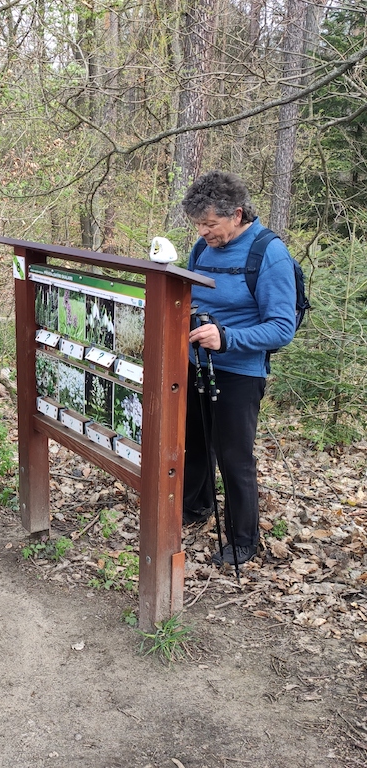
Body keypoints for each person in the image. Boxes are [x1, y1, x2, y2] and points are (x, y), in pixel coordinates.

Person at [181, 170, 296, 566]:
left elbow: (282, 327)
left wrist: (227, 337)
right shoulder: (202, 249)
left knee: (234, 457)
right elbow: (191, 294)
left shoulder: (269, 254)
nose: (204, 232)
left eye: (210, 224)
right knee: (194, 444)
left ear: (237, 214)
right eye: (198, 224)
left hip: (240, 373)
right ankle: (194, 508)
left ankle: (243, 540)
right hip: (196, 364)